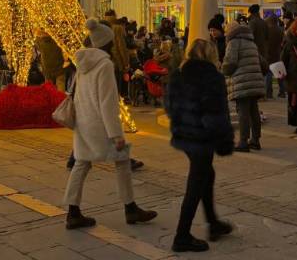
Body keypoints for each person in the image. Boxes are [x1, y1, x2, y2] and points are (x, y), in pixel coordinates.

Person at [63, 19, 157, 230]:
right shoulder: (104, 65)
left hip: (84, 122)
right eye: (111, 42)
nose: (114, 44)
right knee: (122, 161)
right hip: (101, 125)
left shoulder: (83, 64)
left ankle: (73, 212)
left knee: (81, 164)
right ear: (105, 43)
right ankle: (130, 208)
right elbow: (107, 103)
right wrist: (116, 134)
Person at [166, 39, 234, 252]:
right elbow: (215, 114)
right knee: (196, 182)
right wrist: (224, 141)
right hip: (202, 137)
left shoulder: (179, 74)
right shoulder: (212, 77)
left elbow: (169, 105)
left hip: (185, 135)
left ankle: (213, 223)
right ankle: (182, 236)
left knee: (206, 174)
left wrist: (182, 123)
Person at [222, 22, 266, 152]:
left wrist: (223, 70)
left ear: (231, 32)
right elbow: (263, 63)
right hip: (254, 81)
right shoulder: (251, 42)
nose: (225, 34)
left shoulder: (233, 42)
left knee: (243, 112)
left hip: (242, 82)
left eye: (226, 31)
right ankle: (256, 140)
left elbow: (230, 63)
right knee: (254, 111)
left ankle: (243, 141)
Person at [104, 10, 130, 98]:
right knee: (116, 87)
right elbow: (121, 46)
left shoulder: (101, 27)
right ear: (114, 15)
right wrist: (125, 63)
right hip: (116, 61)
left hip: (103, 60)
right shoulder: (118, 28)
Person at [265, 14, 285, 99]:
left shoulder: (267, 30)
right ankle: (282, 92)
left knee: (268, 74)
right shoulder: (280, 30)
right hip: (278, 53)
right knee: (279, 74)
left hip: (268, 54)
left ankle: (269, 93)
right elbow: (283, 41)